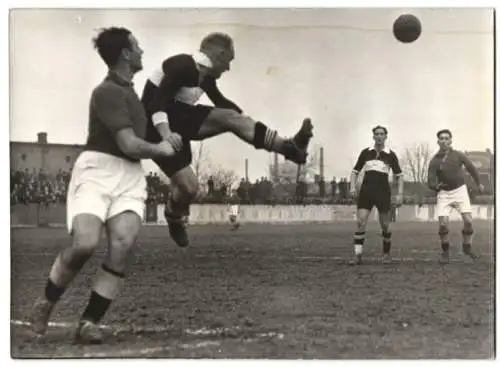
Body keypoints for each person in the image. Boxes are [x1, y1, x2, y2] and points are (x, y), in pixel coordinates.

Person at [28, 27, 177, 344]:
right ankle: (47, 302)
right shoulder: (106, 92)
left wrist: (168, 135)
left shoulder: (133, 95)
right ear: (125, 53)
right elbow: (128, 144)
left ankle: (88, 323)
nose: (140, 50)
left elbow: (146, 134)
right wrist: (162, 149)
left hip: (129, 176)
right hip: (97, 171)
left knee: (122, 246)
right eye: (136, 45)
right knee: (84, 244)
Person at [141, 32, 313, 247]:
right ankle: (173, 216)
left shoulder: (206, 76)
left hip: (180, 118)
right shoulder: (182, 65)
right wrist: (166, 135)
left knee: (232, 118)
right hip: (155, 127)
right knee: (189, 188)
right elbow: (155, 104)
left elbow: (221, 102)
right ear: (220, 54)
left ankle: (290, 147)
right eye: (228, 61)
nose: (228, 68)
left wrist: (243, 119)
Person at [427, 129, 484, 264]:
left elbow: (471, 168)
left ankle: (467, 247)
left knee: (469, 221)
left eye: (447, 138)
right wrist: (436, 186)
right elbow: (430, 180)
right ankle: (445, 253)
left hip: (460, 191)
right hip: (444, 194)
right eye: (442, 138)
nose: (444, 141)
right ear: (438, 141)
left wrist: (479, 183)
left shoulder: (458, 155)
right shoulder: (434, 161)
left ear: (451, 140)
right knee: (443, 224)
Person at [349, 126, 404, 265]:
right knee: (360, 222)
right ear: (373, 137)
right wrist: (352, 186)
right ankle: (357, 255)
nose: (379, 136)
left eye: (382, 134)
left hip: (383, 193)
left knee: (385, 225)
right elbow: (355, 171)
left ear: (386, 137)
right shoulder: (366, 152)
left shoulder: (390, 154)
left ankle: (386, 255)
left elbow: (400, 175)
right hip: (366, 192)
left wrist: (400, 194)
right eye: (377, 134)